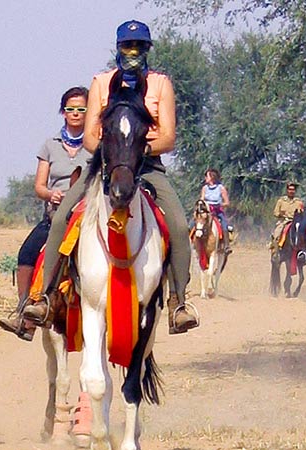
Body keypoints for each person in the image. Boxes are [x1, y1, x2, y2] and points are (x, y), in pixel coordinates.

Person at [22, 20, 199, 335]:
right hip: (105, 165)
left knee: (179, 225)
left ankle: (178, 302)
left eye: (139, 46)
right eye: (127, 46)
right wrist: (116, 153)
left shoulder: (161, 84)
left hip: (147, 166)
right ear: (118, 48)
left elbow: (169, 138)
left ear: (147, 49)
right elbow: (90, 139)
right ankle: (44, 297)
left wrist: (135, 151)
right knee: (62, 218)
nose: (133, 52)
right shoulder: (100, 83)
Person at [0, 86, 91, 341]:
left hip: (85, 216)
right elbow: (39, 186)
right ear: (63, 112)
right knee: (27, 253)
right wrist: (51, 194)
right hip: (55, 215)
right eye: (70, 109)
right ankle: (24, 313)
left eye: (81, 109)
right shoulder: (50, 145)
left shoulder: (96, 145)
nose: (75, 113)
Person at [200, 168, 233, 253]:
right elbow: (202, 199)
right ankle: (190, 240)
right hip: (207, 210)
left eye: (207, 176)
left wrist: (219, 205)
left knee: (224, 224)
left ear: (212, 177)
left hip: (217, 211)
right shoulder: (205, 188)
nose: (205, 178)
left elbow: (227, 202)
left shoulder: (221, 188)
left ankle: (226, 246)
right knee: (194, 223)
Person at [269, 182, 304, 249]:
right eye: (290, 189)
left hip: (295, 222)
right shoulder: (281, 201)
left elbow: (302, 213)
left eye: (293, 190)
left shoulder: (298, 202)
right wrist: (281, 215)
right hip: (283, 222)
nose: (291, 191)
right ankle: (275, 252)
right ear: (287, 190)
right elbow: (275, 212)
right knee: (276, 235)